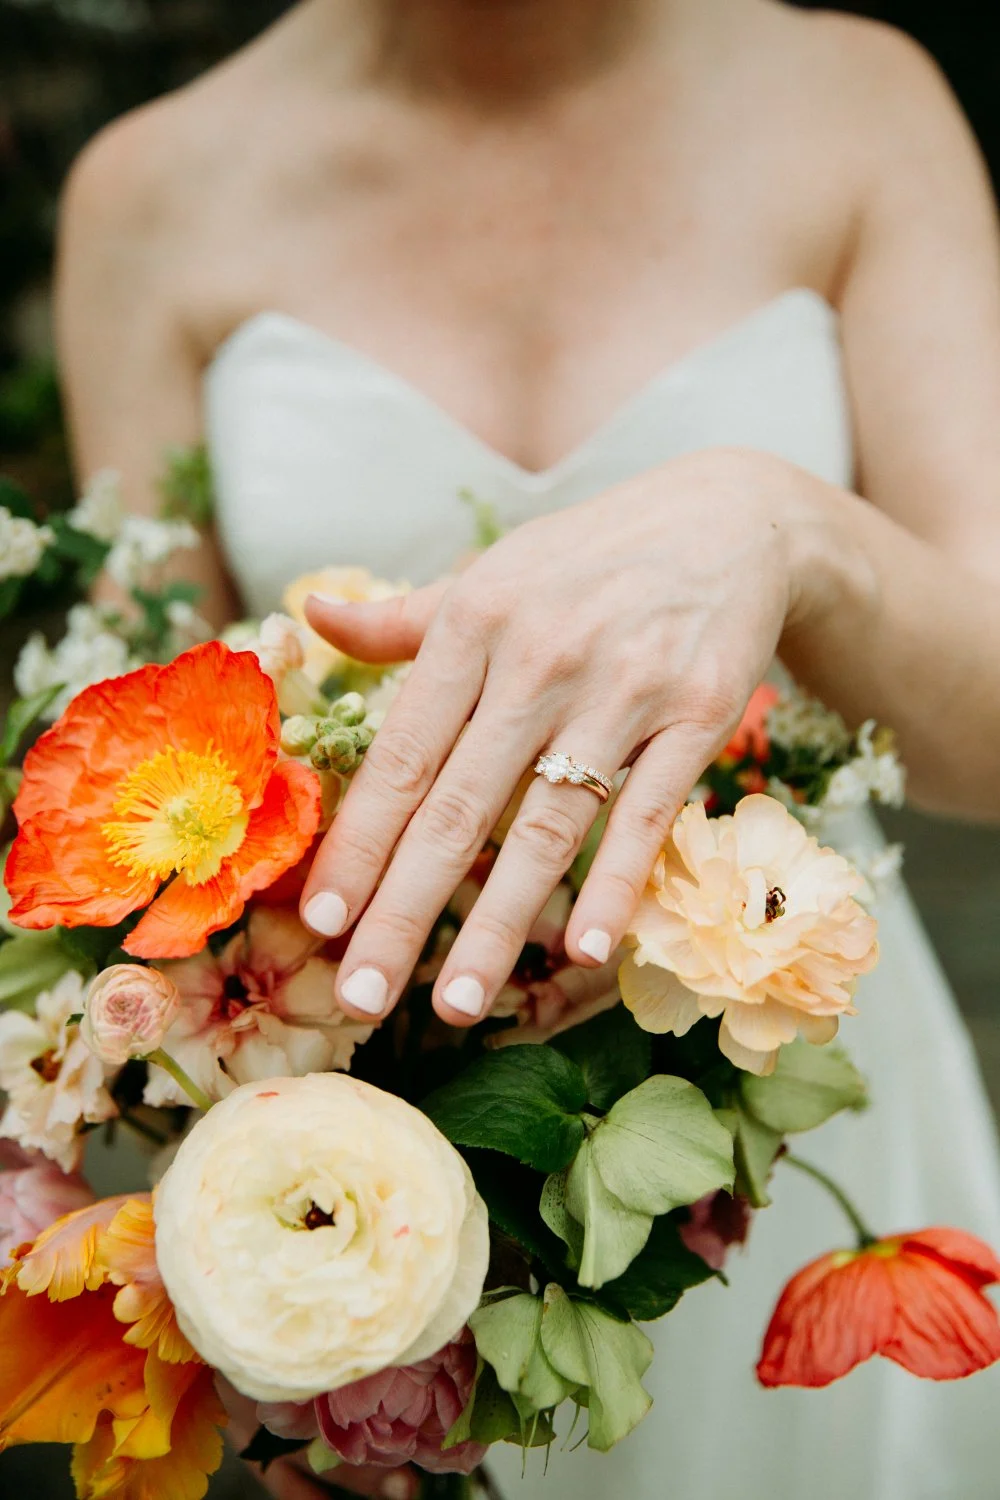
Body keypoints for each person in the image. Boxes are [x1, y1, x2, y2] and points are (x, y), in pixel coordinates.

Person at [55, 1, 1000, 1495]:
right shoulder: (151, 190)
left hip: (802, 1096)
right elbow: (132, 829)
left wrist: (791, 525)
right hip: (382, 1196)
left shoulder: (862, 104)